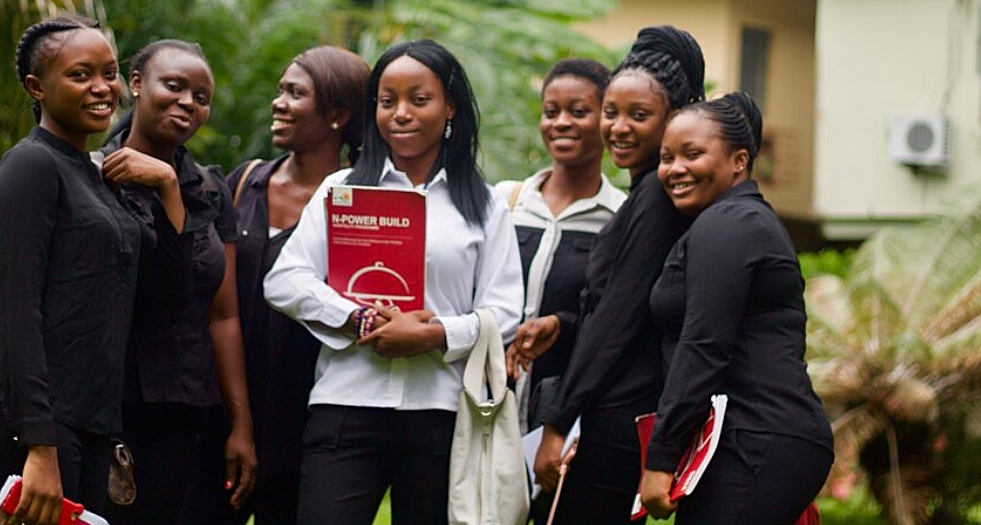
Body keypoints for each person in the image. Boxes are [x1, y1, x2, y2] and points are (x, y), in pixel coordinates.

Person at [264, 39, 524, 525]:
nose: (400, 114)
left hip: (441, 414)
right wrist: (357, 318)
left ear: (450, 108)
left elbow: (505, 310)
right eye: (387, 102)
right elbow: (284, 280)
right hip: (345, 404)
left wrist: (434, 334)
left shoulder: (485, 206)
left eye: (418, 100)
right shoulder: (342, 190)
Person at [0, 16, 187, 524]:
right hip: (29, 420)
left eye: (108, 73)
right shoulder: (30, 167)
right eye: (81, 75)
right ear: (37, 87)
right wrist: (39, 445)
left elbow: (170, 285)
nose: (102, 88)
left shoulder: (101, 174)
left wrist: (168, 182)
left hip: (89, 421)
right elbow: (17, 310)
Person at [184, 46, 368, 525]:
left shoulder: (359, 208)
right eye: (280, 90)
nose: (278, 103)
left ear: (338, 115)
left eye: (295, 93)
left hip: (306, 418)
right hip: (226, 406)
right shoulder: (243, 183)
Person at [531, 26, 705, 524]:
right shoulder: (649, 193)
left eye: (639, 116)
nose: (619, 128)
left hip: (619, 416)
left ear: (674, 119)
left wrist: (558, 422)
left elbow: (616, 318)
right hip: (620, 410)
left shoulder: (656, 197)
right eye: (611, 112)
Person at [639, 93, 833, 524]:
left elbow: (704, 344)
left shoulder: (731, 223)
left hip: (756, 440)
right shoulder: (729, 221)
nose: (674, 169)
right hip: (749, 440)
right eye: (666, 157)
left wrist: (661, 458)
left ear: (739, 161)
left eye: (693, 154)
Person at [99, 39, 257, 524]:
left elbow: (223, 314)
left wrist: (241, 425)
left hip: (181, 403)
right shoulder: (89, 176)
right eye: (174, 86)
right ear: (137, 83)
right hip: (106, 401)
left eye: (202, 96)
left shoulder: (210, 190)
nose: (188, 102)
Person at [497, 57, 624, 429]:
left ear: (605, 118)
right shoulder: (507, 202)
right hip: (489, 406)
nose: (562, 122)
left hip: (566, 417)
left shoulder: (619, 217)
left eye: (579, 111)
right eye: (551, 112)